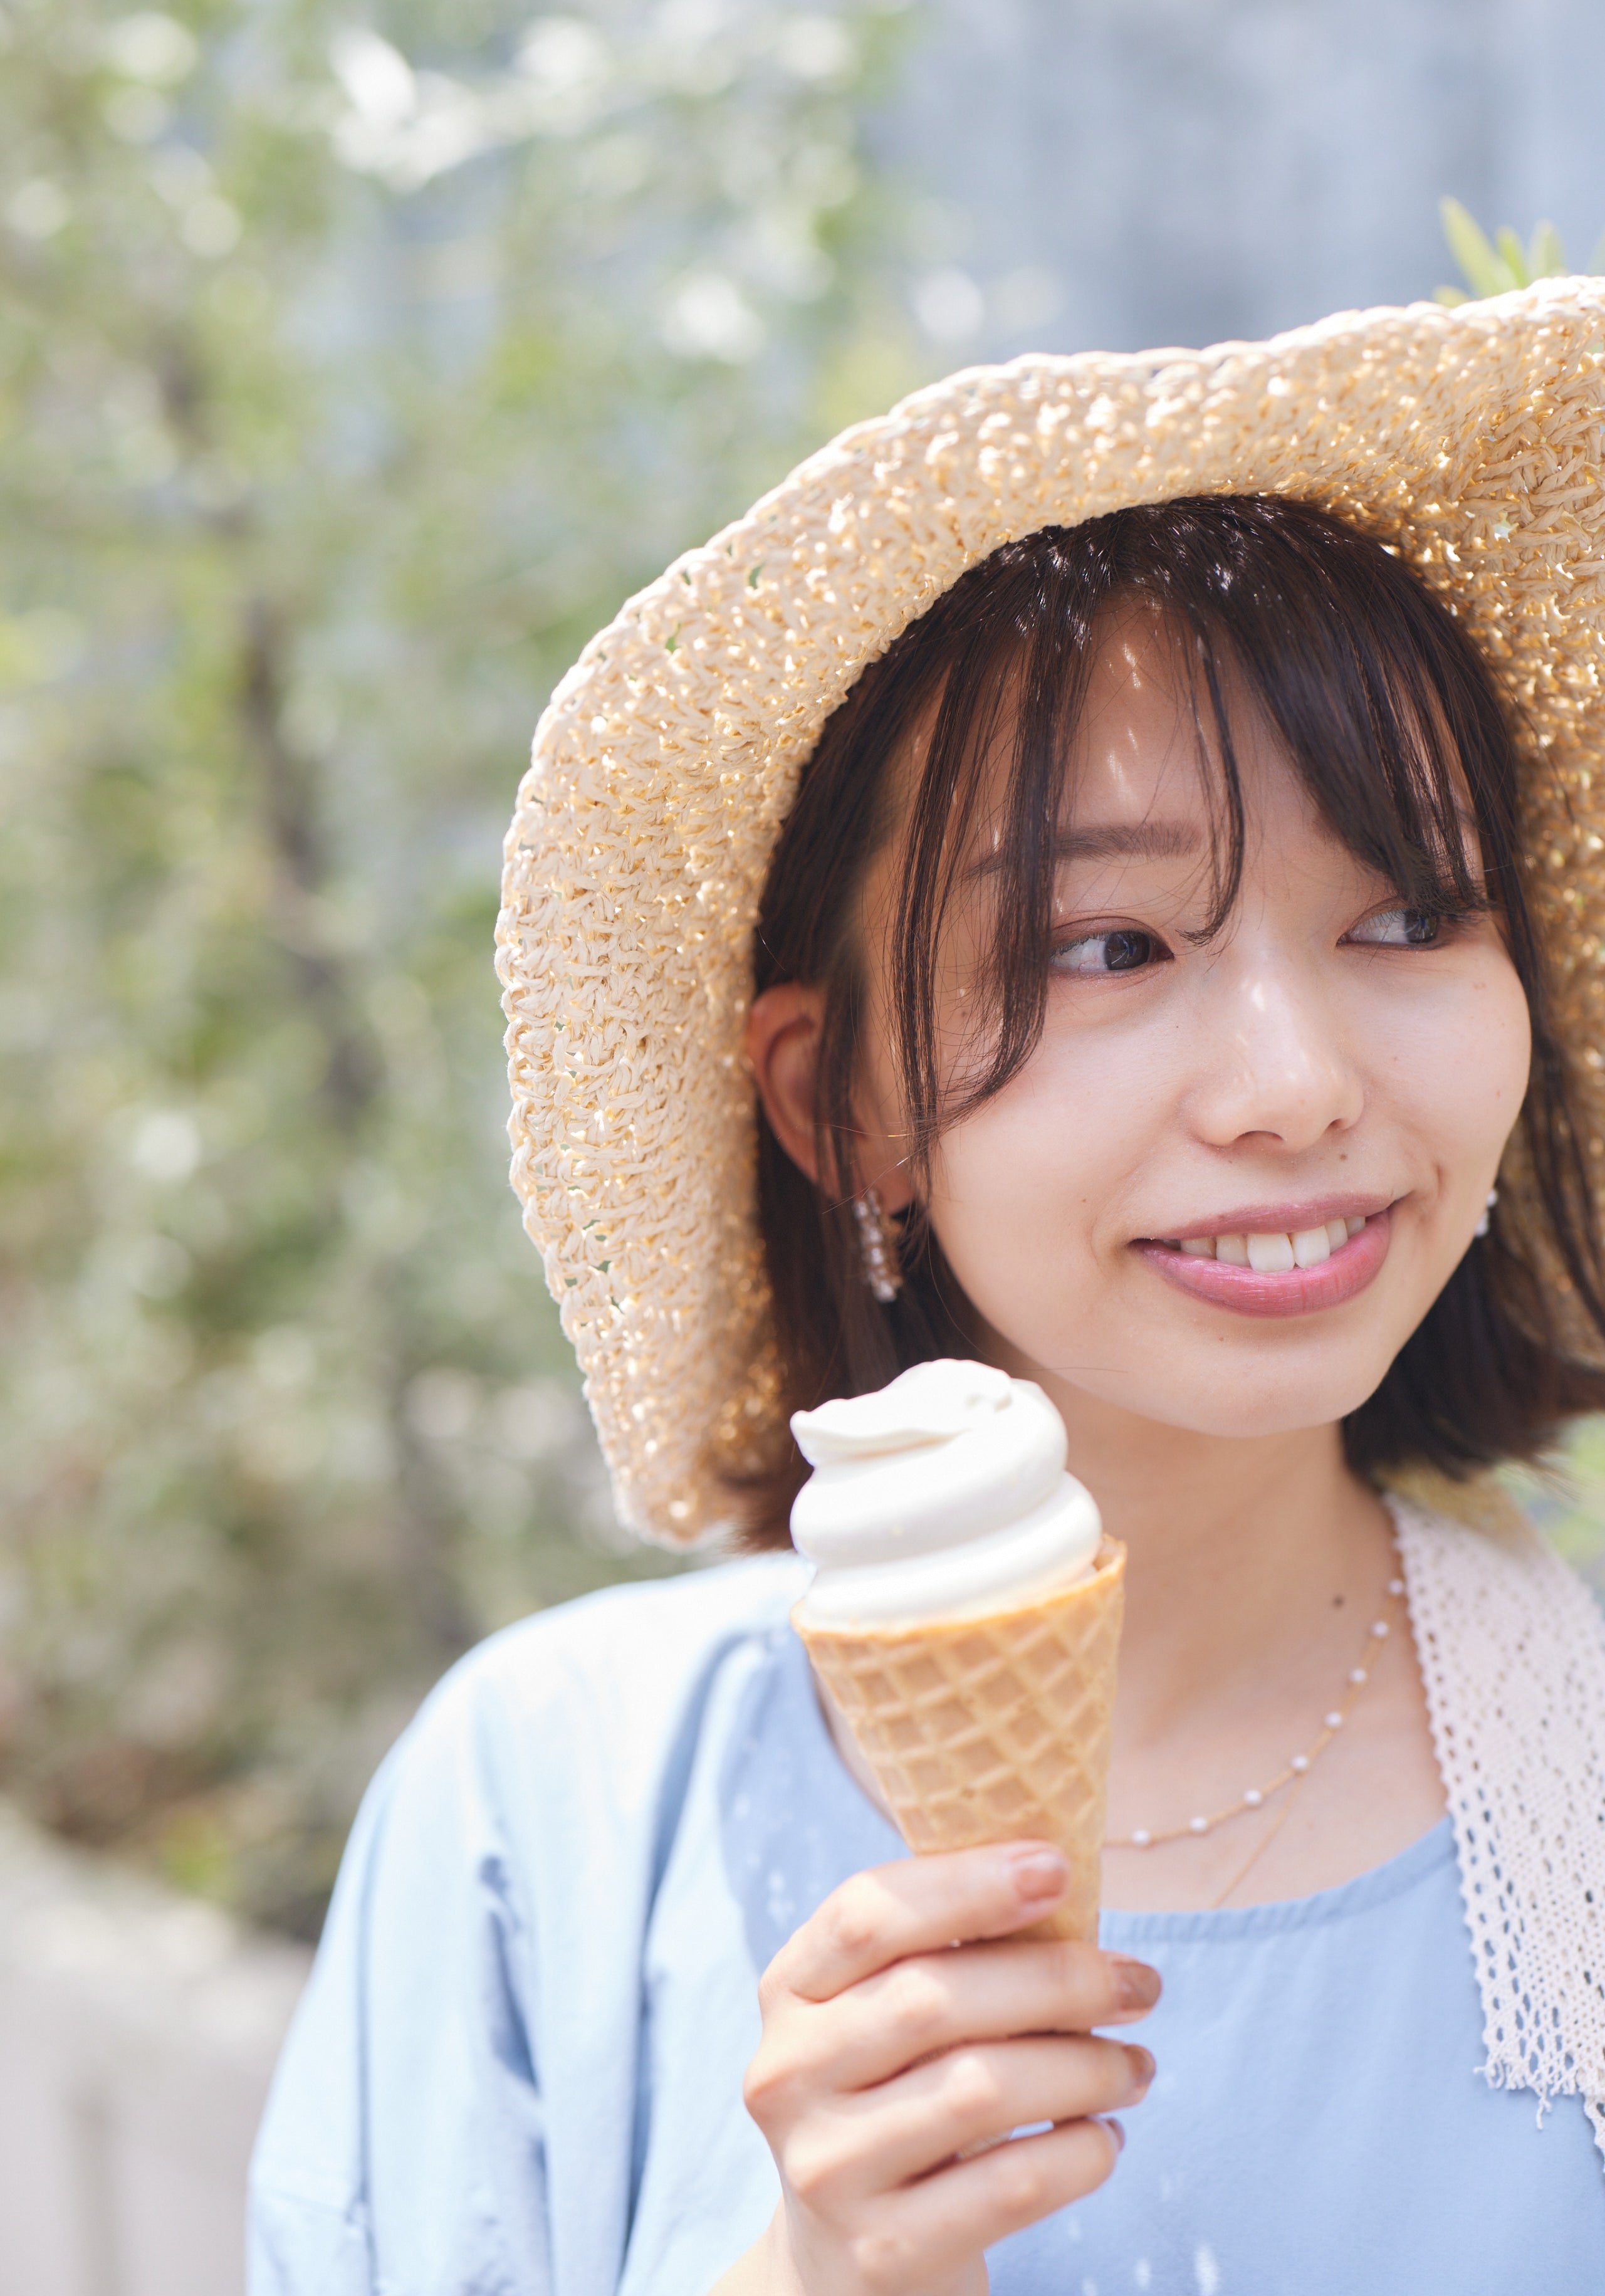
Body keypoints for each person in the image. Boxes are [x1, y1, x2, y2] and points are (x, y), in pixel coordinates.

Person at [249, 285, 1605, 2295]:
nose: (1296, 1084)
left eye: (1406, 912)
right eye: (1109, 945)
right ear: (840, 1102)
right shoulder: (549, 1803)